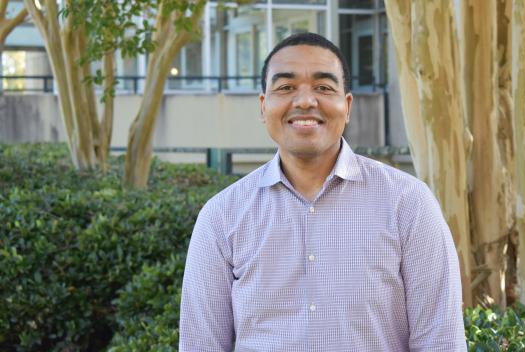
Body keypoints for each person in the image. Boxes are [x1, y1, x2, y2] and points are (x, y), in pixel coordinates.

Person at [179, 32, 466, 351]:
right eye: (286, 87)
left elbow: (440, 341)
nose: (304, 101)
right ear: (264, 106)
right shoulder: (222, 216)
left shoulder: (408, 204)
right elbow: (200, 344)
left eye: (323, 87)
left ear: (347, 105)